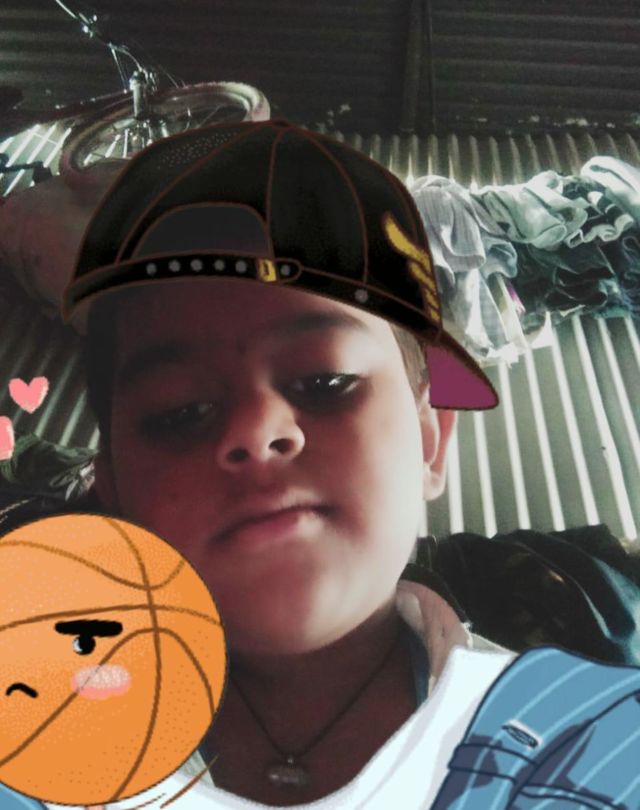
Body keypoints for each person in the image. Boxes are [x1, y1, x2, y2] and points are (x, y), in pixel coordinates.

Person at [9, 120, 640, 810]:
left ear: (430, 440)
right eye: (180, 411)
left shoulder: (594, 742)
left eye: (324, 381)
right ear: (112, 493)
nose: (256, 431)